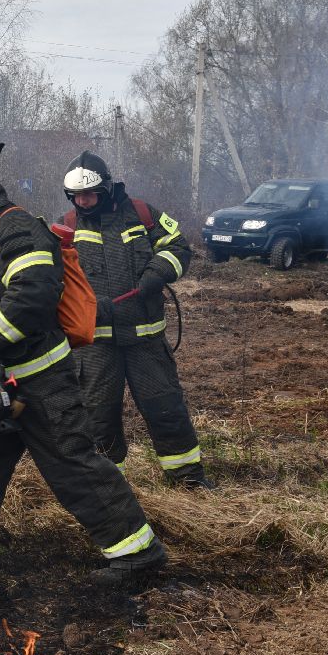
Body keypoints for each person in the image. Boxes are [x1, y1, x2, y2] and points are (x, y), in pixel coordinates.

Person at [0, 141, 166, 583]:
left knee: (72, 464)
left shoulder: (13, 226)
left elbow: (31, 298)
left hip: (41, 380)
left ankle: (138, 553)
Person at [61, 151, 214, 488]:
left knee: (166, 408)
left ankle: (188, 479)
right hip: (95, 346)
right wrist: (83, 306)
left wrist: (158, 271)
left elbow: (178, 246)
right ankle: (108, 487)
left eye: (89, 195)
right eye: (76, 196)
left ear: (106, 189)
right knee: (97, 417)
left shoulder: (142, 214)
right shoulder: (66, 227)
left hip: (146, 341)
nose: (83, 202)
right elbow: (54, 279)